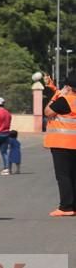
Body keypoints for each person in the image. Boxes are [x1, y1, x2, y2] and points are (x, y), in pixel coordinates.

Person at [44, 75, 76, 217]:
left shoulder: (64, 100)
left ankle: (66, 207)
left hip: (62, 143)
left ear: (68, 87)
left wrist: (55, 95)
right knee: (73, 175)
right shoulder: (70, 100)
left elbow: (48, 112)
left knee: (63, 176)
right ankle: (73, 206)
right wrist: (55, 89)